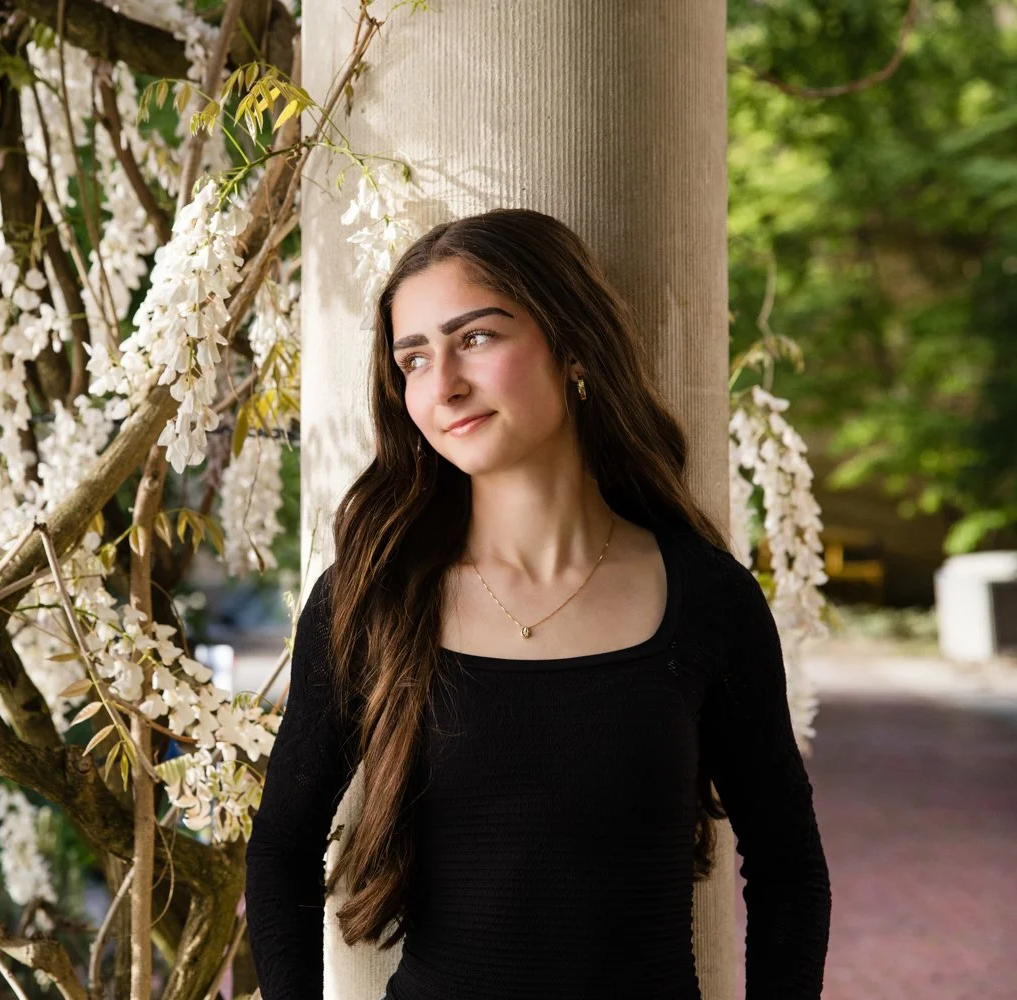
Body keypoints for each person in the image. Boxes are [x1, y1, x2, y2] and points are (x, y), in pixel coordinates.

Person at [243, 209, 831, 999]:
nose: (442, 383)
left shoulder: (708, 598)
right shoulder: (372, 598)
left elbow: (789, 866)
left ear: (572, 343)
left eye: (476, 338)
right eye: (413, 358)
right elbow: (281, 847)